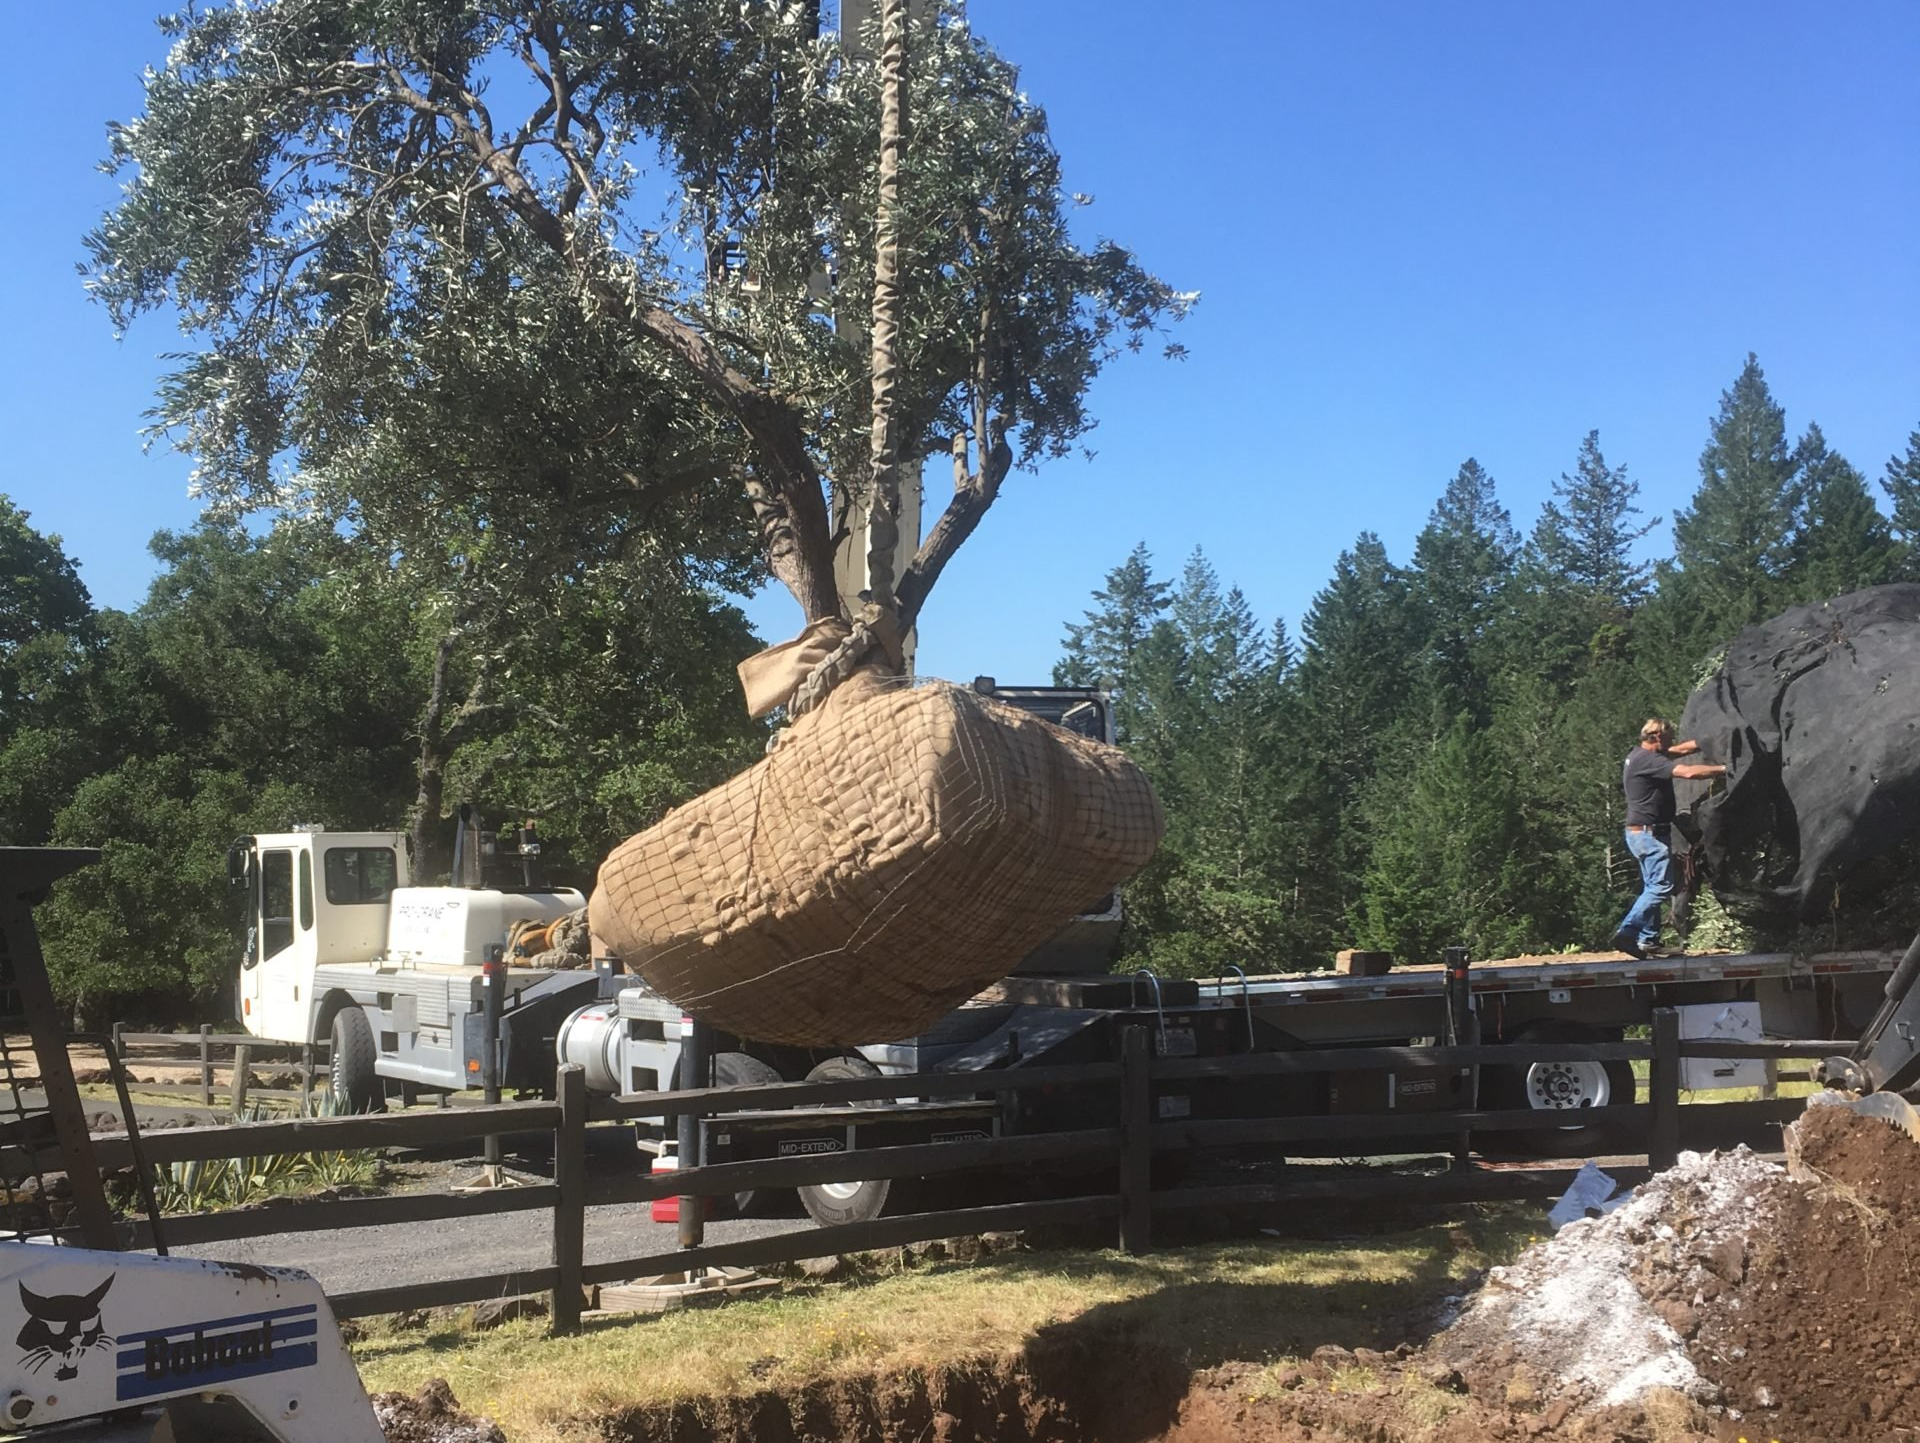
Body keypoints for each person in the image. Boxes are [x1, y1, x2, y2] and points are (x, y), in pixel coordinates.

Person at [1612, 719, 1726, 960]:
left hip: (1645, 833)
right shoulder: (1649, 760)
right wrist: (1726, 769)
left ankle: (1648, 941)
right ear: (1655, 738)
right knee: (1660, 886)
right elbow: (1688, 772)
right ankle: (1628, 932)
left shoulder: (1642, 755)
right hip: (1647, 834)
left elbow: (1681, 750)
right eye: (1668, 737)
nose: (1672, 742)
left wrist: (1708, 739)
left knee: (1651, 885)